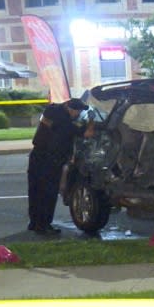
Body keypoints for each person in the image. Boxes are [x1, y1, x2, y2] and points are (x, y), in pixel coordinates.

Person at [27, 98, 94, 234]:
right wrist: (92, 121)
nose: (78, 114)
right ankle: (44, 225)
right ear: (69, 108)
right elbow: (88, 133)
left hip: (37, 156)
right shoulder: (65, 123)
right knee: (48, 193)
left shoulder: (52, 110)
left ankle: (34, 222)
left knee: (35, 191)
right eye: (77, 111)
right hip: (51, 160)